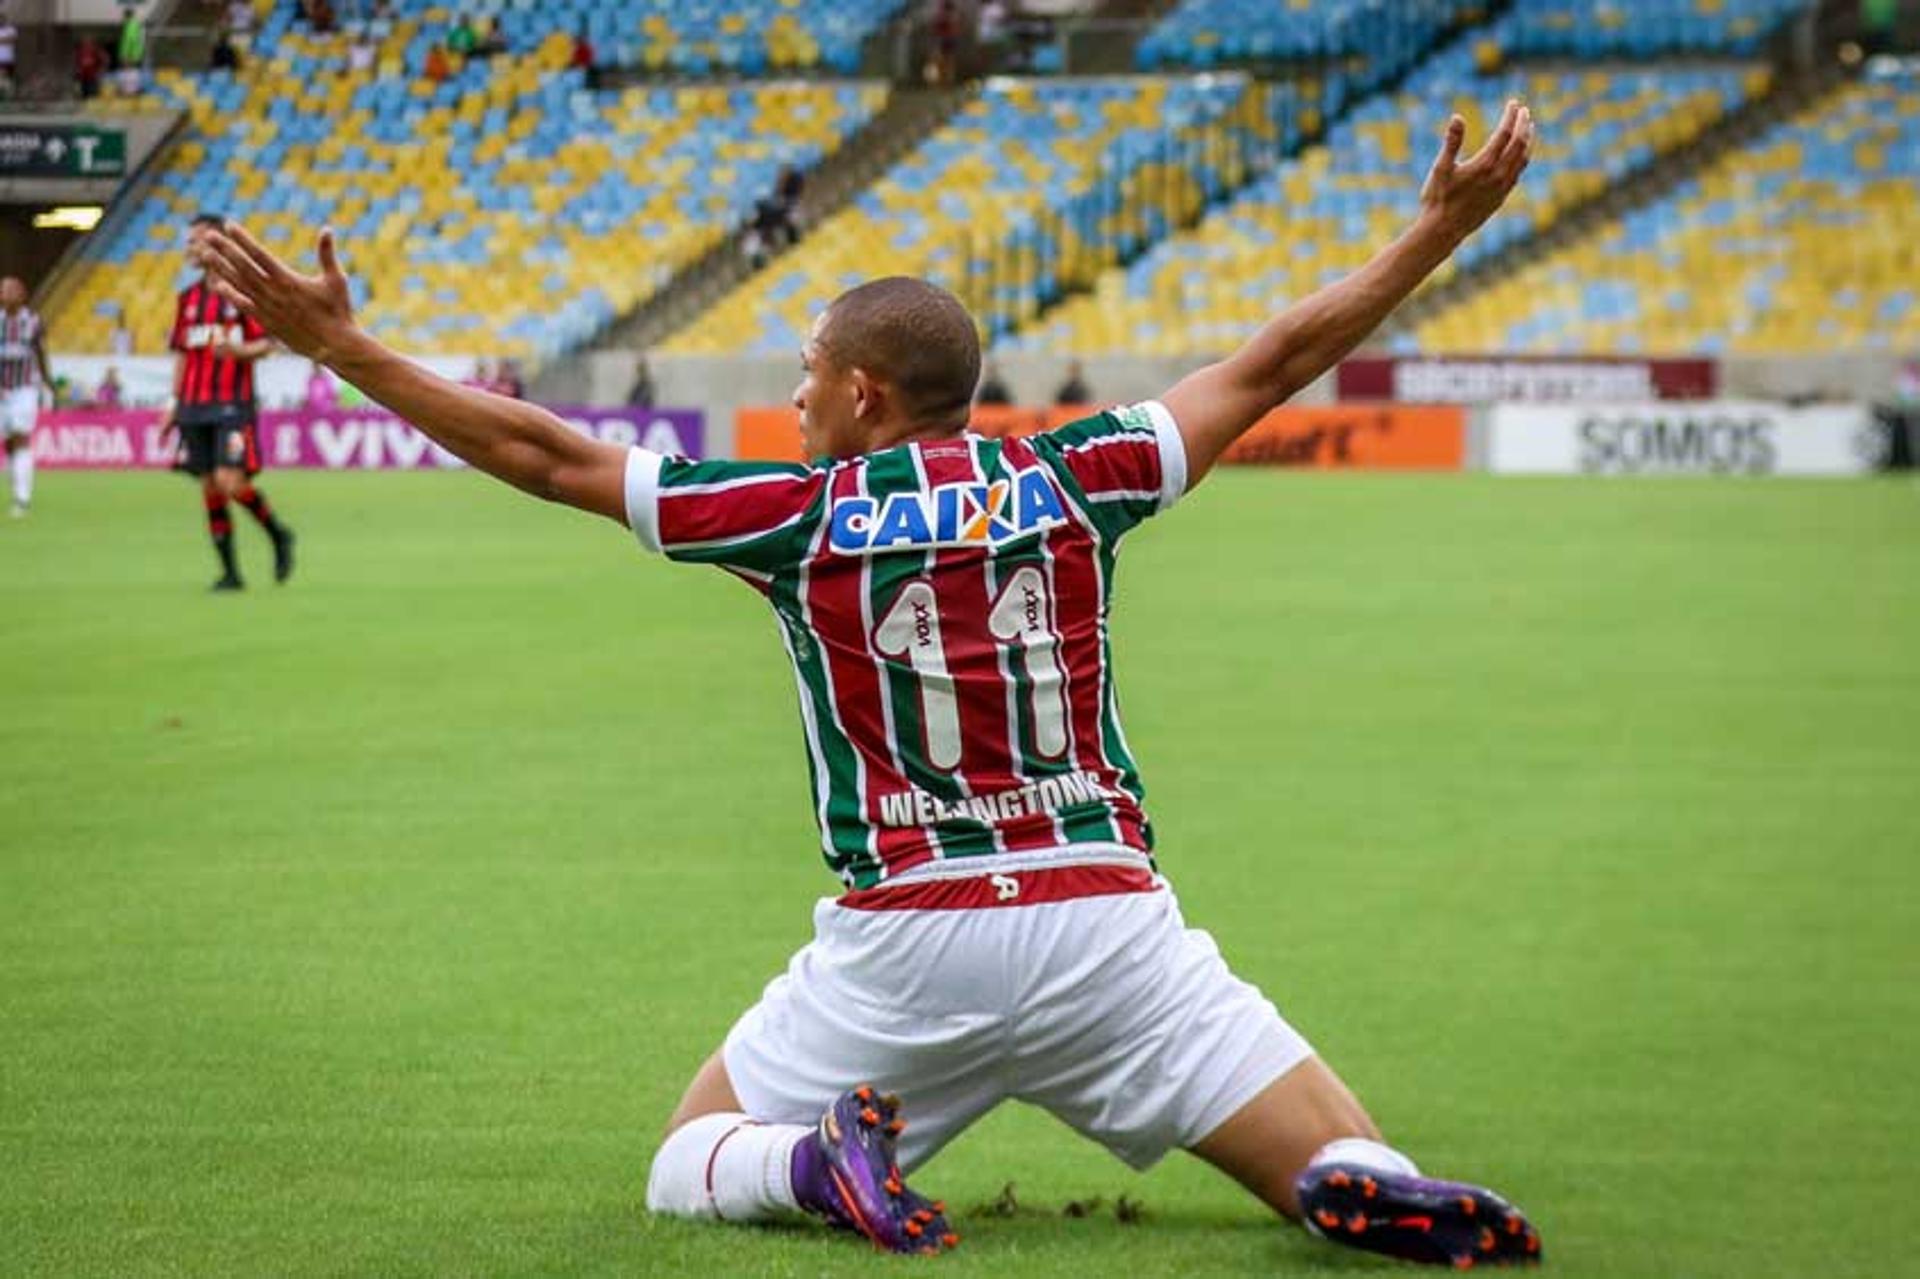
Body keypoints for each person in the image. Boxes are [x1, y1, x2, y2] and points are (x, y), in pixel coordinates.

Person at [197, 101, 1540, 1269]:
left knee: (692, 1155)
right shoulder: (1076, 476)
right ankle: (1336, 1185)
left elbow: (546, 456)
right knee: (1339, 1153)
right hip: (1110, 926)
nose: (791, 398)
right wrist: (1436, 230)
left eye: (801, 375)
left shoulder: (795, 512)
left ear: (857, 390)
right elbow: (1272, 361)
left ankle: (814, 1167)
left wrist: (344, 351)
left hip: (907, 939)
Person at [166, 213, 295, 590]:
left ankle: (277, 533)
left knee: (229, 481)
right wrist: (172, 404)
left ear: (218, 245)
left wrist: (239, 350)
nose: (190, 248)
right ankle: (230, 573)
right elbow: (180, 355)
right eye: (189, 241)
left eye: (197, 241)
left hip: (231, 405)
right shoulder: (187, 299)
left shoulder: (241, 295)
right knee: (209, 486)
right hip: (192, 405)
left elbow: (270, 343)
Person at [0, 277, 51, 518]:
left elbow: (41, 352)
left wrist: (48, 382)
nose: (6, 294)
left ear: (22, 294)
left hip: (24, 389)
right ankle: (17, 490)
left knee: (21, 438)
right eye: (3, 290)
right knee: (8, 443)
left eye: (11, 290)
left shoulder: (33, 321)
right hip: (1, 391)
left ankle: (23, 498)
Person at [116, 3, 146, 96]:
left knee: (130, 72)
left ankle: (130, 91)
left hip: (131, 52)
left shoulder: (131, 25)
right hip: (134, 52)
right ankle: (131, 91)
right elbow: (138, 40)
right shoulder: (136, 24)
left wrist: (126, 55)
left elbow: (130, 40)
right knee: (132, 72)